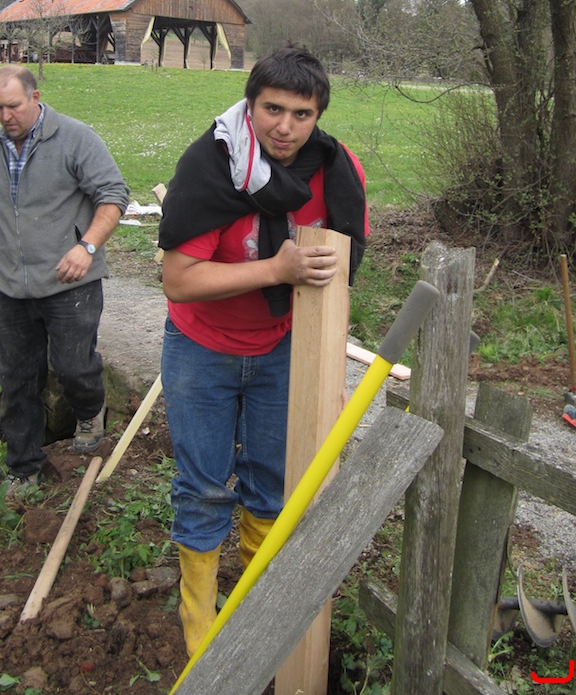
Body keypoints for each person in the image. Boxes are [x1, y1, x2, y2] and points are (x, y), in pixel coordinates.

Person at [158, 43, 368, 657]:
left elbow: (342, 264)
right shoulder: (211, 166)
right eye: (273, 109)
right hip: (202, 346)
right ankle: (200, 618)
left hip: (283, 347)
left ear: (317, 116)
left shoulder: (335, 169)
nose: (285, 127)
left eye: (302, 114)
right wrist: (277, 269)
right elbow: (179, 280)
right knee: (203, 484)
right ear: (250, 103)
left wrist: (332, 285)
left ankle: (256, 602)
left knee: (273, 481)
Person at [0, 65, 129, 495]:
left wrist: (86, 246)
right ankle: (24, 468)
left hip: (71, 281)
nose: (5, 116)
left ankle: (90, 410)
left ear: (35, 98)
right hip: (10, 286)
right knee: (17, 380)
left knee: (73, 367)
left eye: (13, 106)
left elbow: (113, 194)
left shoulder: (75, 138)